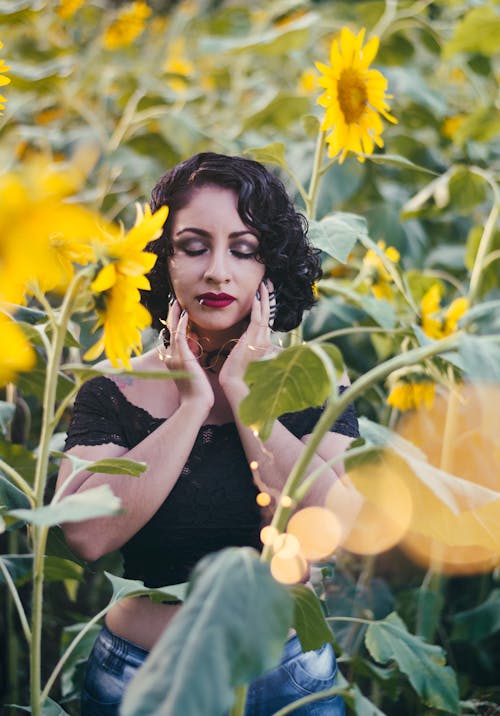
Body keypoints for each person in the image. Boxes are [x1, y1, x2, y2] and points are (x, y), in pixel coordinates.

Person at [57, 152, 360, 715]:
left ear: (270, 266)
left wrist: (247, 395)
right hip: (140, 681)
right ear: (161, 260)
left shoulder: (314, 380)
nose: (217, 270)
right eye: (193, 246)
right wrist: (192, 406)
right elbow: (87, 536)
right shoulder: (114, 390)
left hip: (288, 683)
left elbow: (330, 527)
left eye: (243, 249)